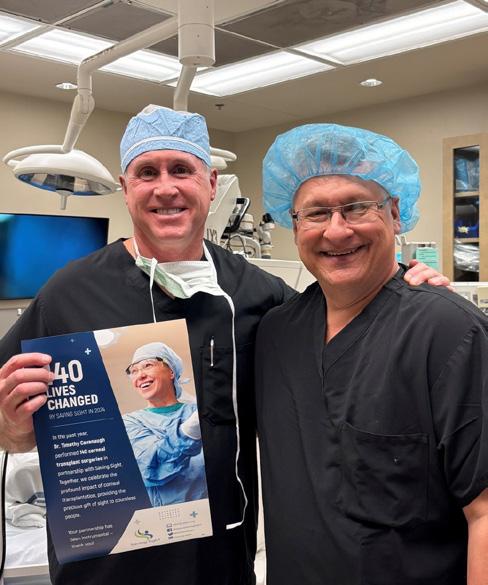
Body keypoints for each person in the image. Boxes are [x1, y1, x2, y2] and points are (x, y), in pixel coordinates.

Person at [0, 105, 449, 585]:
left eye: (181, 170)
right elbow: (13, 433)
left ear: (211, 184)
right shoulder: (68, 294)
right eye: (147, 172)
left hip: (221, 564)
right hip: (103, 568)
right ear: (126, 187)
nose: (165, 187)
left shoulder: (261, 295)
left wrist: (406, 289)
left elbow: (350, 317)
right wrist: (12, 426)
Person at [255, 123, 488, 585]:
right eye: (316, 213)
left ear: (395, 213)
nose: (337, 231)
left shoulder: (449, 332)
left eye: (357, 207)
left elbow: (484, 512)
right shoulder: (275, 332)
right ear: (294, 225)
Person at [123, 341, 207, 506]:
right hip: (166, 518)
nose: (140, 375)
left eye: (148, 365)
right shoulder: (130, 422)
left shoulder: (200, 411)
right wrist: (190, 430)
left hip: (211, 511)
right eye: (133, 371)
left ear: (171, 372)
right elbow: (150, 467)